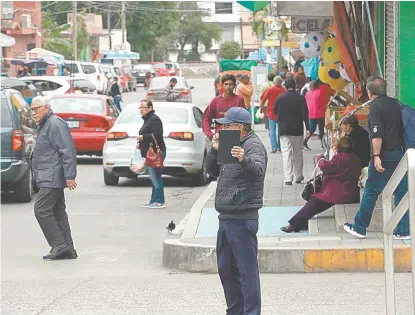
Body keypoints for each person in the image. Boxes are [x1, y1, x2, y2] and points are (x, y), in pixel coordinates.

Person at [206, 107, 267, 315]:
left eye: (226, 125)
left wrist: (244, 159)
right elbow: (212, 171)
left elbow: (258, 171)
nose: (221, 127)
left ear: (239, 127)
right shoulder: (231, 143)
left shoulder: (253, 145)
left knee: (246, 270)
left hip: (242, 216)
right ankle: (235, 310)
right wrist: (214, 150)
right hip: (226, 215)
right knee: (226, 268)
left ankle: (251, 312)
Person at [344, 77, 409, 239]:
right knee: (402, 192)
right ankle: (404, 230)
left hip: (385, 155)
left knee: (371, 191)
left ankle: (360, 227)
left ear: (369, 91)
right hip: (399, 153)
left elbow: (377, 135)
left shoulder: (376, 107)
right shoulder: (395, 103)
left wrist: (377, 156)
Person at [281, 137, 362, 232]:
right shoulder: (355, 159)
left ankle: (293, 224)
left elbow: (324, 166)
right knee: (315, 203)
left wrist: (321, 158)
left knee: (314, 202)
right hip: (350, 192)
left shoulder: (339, 158)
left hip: (338, 192)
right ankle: (299, 223)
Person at [30, 96, 78, 260]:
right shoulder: (45, 124)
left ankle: (59, 245)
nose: (33, 113)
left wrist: (70, 175)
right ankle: (68, 249)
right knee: (57, 212)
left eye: (36, 109)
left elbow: (67, 149)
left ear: (46, 107)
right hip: (48, 175)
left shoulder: (55, 123)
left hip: (53, 175)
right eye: (32, 110)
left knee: (41, 210)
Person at [274, 78, 310, 185]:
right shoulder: (300, 98)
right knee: (298, 153)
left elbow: (275, 111)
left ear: (285, 86)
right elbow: (305, 114)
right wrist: (308, 128)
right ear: (295, 86)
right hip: (297, 129)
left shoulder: (280, 98)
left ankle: (288, 178)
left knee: (286, 153)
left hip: (284, 129)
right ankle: (298, 176)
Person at [137, 100, 167, 209]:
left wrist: (143, 137)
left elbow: (157, 135)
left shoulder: (154, 119)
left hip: (155, 153)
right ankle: (153, 200)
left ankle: (159, 201)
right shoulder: (148, 119)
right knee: (153, 177)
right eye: (140, 107)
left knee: (155, 177)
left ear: (150, 108)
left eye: (143, 107)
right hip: (150, 153)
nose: (141, 109)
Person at [202, 74, 245, 140]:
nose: (228, 86)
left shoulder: (239, 100)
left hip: (235, 137)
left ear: (234, 86)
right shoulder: (215, 101)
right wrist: (210, 135)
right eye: (226, 84)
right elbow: (206, 118)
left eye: (231, 84)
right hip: (219, 137)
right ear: (222, 85)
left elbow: (244, 120)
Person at [260, 76, 285, 153]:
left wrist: (261, 109)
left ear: (274, 82)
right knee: (280, 130)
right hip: (281, 113)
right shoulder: (284, 90)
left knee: (272, 130)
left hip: (271, 112)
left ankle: (274, 147)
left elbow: (263, 99)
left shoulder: (270, 90)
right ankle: (280, 147)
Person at [303, 80, 331, 150]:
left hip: (311, 113)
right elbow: (325, 101)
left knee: (312, 129)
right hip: (320, 113)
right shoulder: (319, 92)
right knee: (321, 130)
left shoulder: (307, 93)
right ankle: (323, 145)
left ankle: (305, 141)